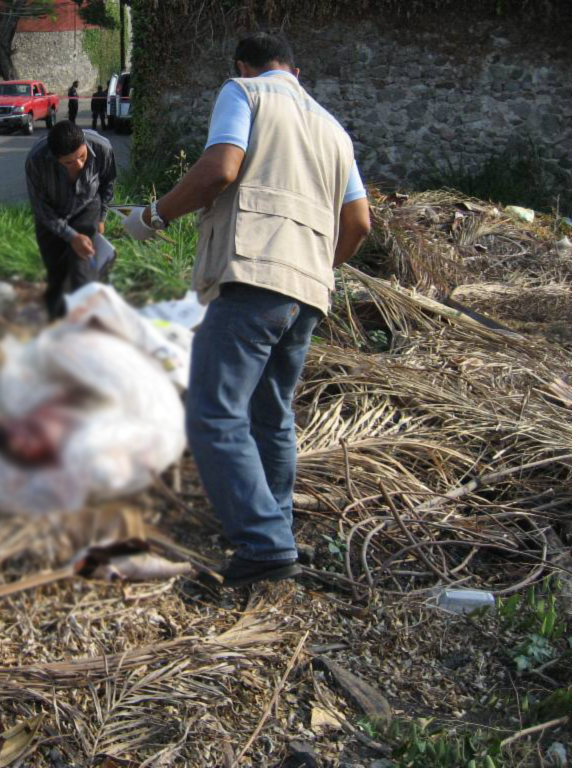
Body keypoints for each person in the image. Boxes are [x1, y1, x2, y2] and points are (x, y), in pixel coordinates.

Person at [123, 32, 372, 588]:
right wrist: (313, 264)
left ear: (244, 65)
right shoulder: (334, 129)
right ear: (296, 71)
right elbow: (358, 224)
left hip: (254, 279)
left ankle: (263, 545)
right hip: (308, 291)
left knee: (213, 413)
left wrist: (153, 216)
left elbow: (221, 168)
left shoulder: (245, 92)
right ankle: (276, 531)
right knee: (271, 415)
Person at [25, 121, 117, 320]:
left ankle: (85, 323)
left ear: (85, 144)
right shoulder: (37, 160)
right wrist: (71, 236)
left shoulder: (102, 147)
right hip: (52, 214)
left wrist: (102, 216)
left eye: (82, 157)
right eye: (69, 162)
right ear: (56, 158)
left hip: (86, 208)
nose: (79, 165)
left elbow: (108, 182)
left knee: (82, 273)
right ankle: (57, 323)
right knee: (56, 273)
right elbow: (41, 208)